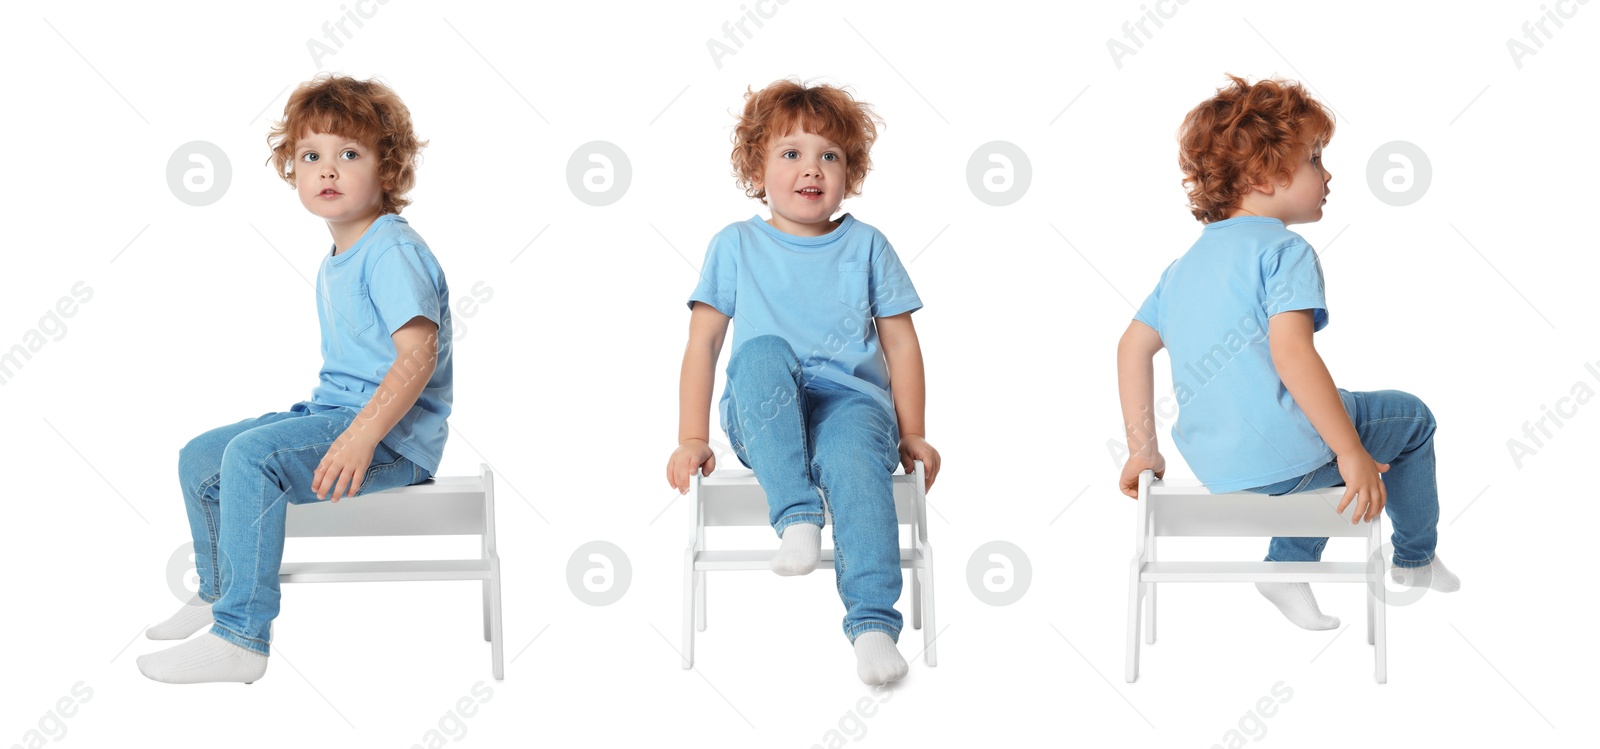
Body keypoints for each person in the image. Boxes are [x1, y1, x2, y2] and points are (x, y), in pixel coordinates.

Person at [139, 74, 452, 683]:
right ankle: (221, 589)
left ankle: (242, 635)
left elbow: (419, 354)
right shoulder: (339, 254)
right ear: (293, 172)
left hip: (390, 440)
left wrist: (362, 437)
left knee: (252, 458)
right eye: (312, 156)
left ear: (388, 170)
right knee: (202, 457)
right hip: (333, 416)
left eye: (350, 154)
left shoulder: (391, 250)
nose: (328, 170)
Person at [1116, 74, 1458, 632]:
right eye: (1315, 160)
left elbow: (1132, 347)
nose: (1328, 175)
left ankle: (1287, 566)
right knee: (1411, 417)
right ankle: (1414, 559)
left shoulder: (1182, 268)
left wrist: (1142, 451)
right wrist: (1350, 451)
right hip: (1294, 463)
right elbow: (1293, 356)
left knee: (1311, 440)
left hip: (1222, 467)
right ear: (1264, 174)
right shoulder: (1285, 249)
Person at [664, 78, 941, 684]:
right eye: (791, 153)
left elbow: (900, 343)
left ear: (850, 172)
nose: (811, 169)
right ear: (757, 169)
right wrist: (691, 436)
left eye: (830, 156)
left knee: (852, 459)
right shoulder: (735, 244)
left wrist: (913, 431)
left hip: (851, 405)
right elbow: (705, 343)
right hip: (766, 412)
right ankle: (796, 517)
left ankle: (872, 628)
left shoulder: (868, 245)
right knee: (760, 351)